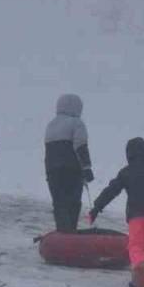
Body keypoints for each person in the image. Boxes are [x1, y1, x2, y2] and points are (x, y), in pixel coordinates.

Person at [88, 138, 144, 267]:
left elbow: (111, 191)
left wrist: (96, 207)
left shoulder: (126, 172)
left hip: (136, 217)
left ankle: (142, 272)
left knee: (136, 247)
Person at [44, 94, 93, 232]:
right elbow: (80, 146)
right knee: (73, 203)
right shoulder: (77, 123)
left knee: (59, 204)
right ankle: (70, 233)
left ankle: (62, 233)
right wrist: (87, 168)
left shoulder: (50, 125)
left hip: (52, 171)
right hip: (72, 170)